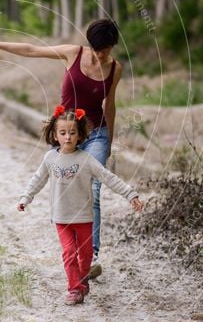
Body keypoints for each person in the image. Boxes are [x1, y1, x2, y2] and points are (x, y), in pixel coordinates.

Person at [0, 19, 122, 280]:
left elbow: (110, 105)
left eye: (104, 49)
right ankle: (75, 246)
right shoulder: (74, 53)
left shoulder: (116, 68)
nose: (99, 55)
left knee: (92, 188)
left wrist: (109, 142)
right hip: (67, 133)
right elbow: (30, 49)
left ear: (112, 46)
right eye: (95, 48)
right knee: (66, 188)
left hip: (96, 134)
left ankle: (90, 257)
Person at [17, 106, 143, 305]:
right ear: (55, 135)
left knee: (85, 256)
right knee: (69, 253)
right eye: (63, 132)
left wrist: (130, 194)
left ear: (80, 135)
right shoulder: (50, 158)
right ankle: (74, 289)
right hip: (61, 217)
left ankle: (82, 280)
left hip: (84, 217)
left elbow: (108, 177)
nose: (68, 137)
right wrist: (26, 198)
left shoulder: (86, 160)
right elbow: (37, 179)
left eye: (72, 132)